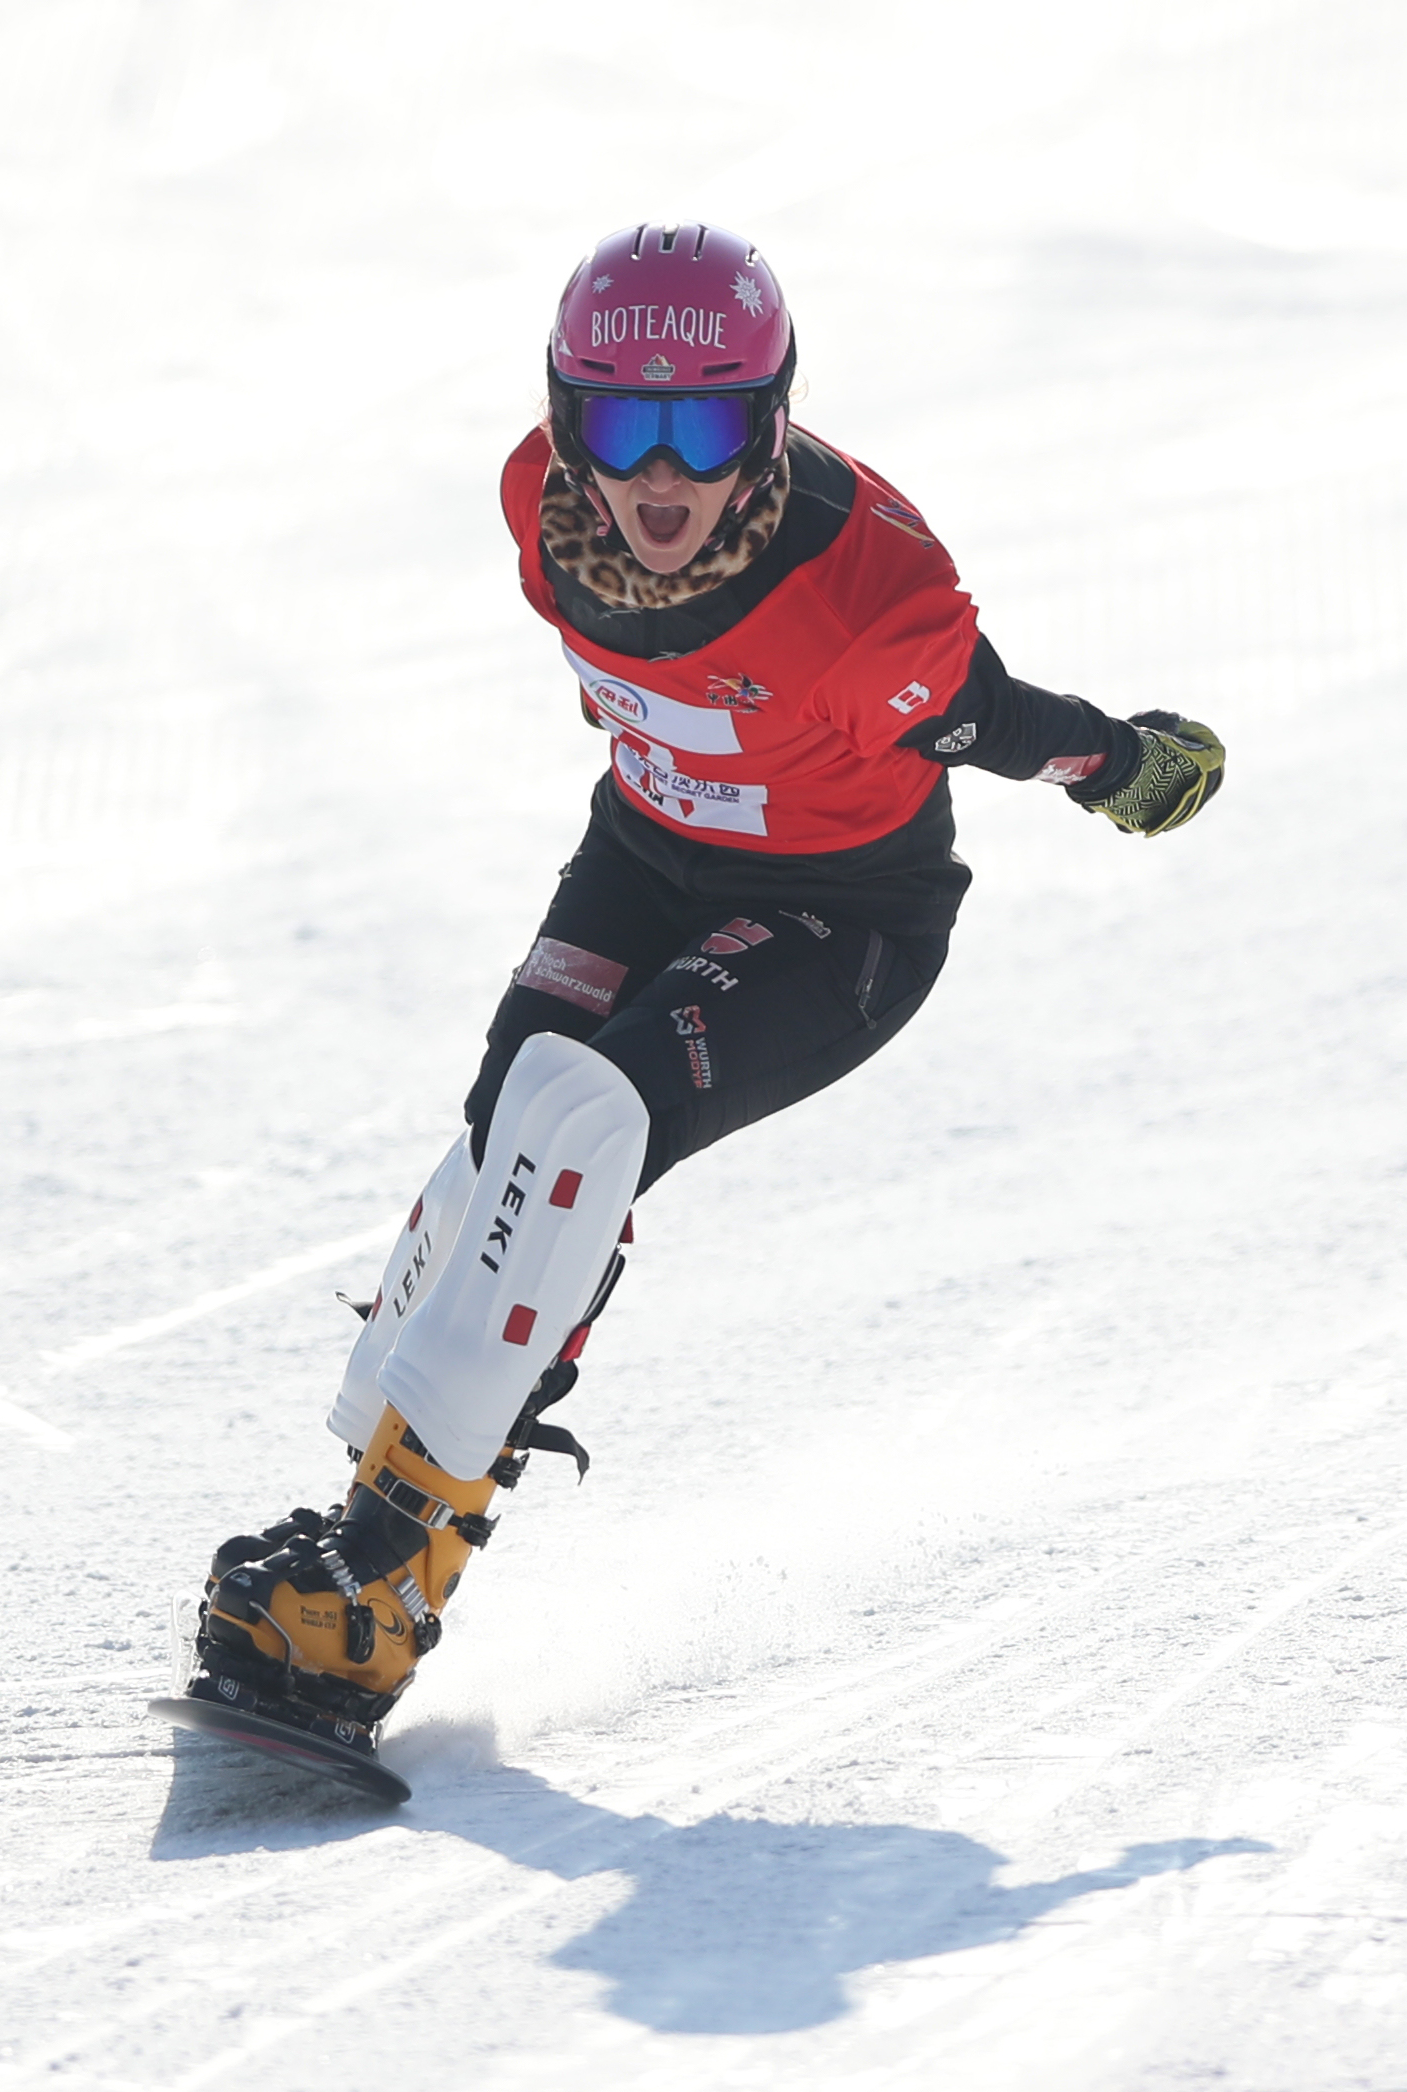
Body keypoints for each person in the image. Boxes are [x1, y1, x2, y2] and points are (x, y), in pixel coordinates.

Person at [183, 223, 1225, 1771]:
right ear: (561, 419)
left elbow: (988, 719)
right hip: (650, 849)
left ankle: (396, 1581)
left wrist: (1121, 765)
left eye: (708, 425)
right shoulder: (536, 512)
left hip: (840, 914)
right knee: (501, 1134)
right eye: (619, 424)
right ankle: (363, 1518)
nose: (658, 477)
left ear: (774, 423)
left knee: (586, 1112)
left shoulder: (868, 596)